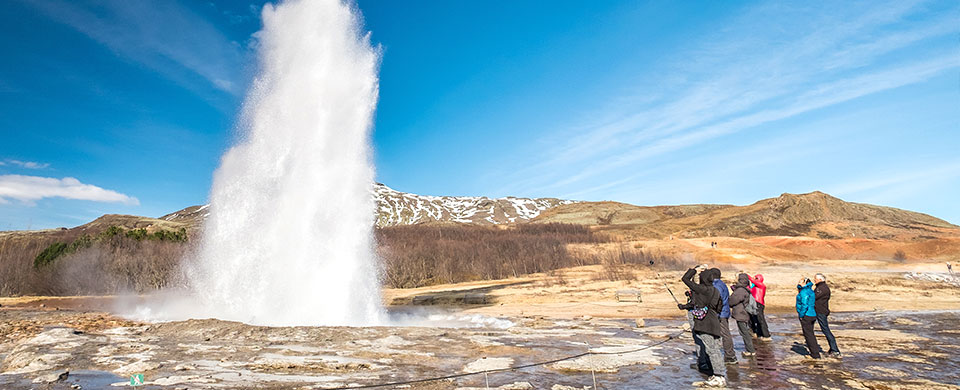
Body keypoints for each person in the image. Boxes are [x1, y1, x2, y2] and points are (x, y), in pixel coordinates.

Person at [682, 265, 726, 387]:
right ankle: (718, 375)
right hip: (714, 322)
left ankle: (718, 376)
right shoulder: (715, 290)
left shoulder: (701, 289)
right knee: (715, 349)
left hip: (705, 324)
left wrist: (694, 270)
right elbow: (719, 307)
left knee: (712, 350)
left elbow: (685, 279)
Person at [709, 268, 737, 363]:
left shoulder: (716, 285)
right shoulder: (721, 284)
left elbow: (717, 300)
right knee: (723, 334)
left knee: (725, 334)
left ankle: (730, 356)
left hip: (720, 314)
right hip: (723, 312)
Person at [728, 273, 756, 357]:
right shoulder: (744, 289)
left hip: (741, 314)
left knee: (744, 333)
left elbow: (733, 301)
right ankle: (750, 350)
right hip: (743, 313)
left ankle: (750, 350)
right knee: (745, 332)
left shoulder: (740, 290)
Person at [814, 273, 841, 357]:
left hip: (821, 311)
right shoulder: (821, 287)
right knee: (825, 330)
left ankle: (835, 350)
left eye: (815, 279)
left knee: (826, 330)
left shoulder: (822, 288)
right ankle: (832, 349)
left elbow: (814, 297)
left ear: (820, 279)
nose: (814, 280)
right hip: (820, 310)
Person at [796, 277, 821, 359]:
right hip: (812, 314)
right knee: (810, 334)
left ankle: (815, 354)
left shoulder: (804, 292)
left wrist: (801, 315)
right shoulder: (810, 290)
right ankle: (815, 352)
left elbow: (804, 304)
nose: (798, 283)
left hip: (807, 315)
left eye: (800, 282)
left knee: (808, 335)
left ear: (804, 283)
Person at [747, 273, 771, 338]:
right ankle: (757, 333)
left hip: (759, 303)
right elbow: (749, 289)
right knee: (753, 319)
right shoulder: (754, 287)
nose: (754, 279)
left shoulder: (761, 285)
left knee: (760, 319)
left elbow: (753, 281)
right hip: (753, 303)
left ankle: (766, 335)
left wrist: (747, 275)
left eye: (755, 278)